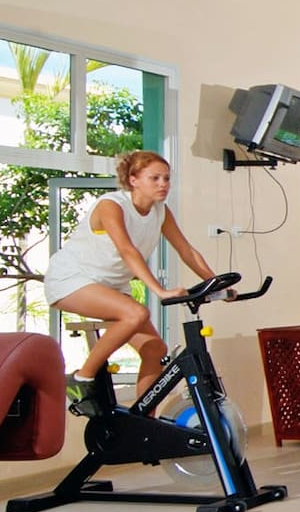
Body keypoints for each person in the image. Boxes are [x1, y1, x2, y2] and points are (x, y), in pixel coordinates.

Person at [47, 150, 219, 406]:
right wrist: (160, 291)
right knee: (136, 313)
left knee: (154, 350)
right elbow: (127, 250)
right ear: (133, 179)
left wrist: (214, 283)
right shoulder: (111, 205)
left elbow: (186, 250)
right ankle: (81, 379)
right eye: (155, 178)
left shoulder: (160, 211)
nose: (163, 184)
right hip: (72, 279)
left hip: (111, 285)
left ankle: (143, 421)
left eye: (167, 178)